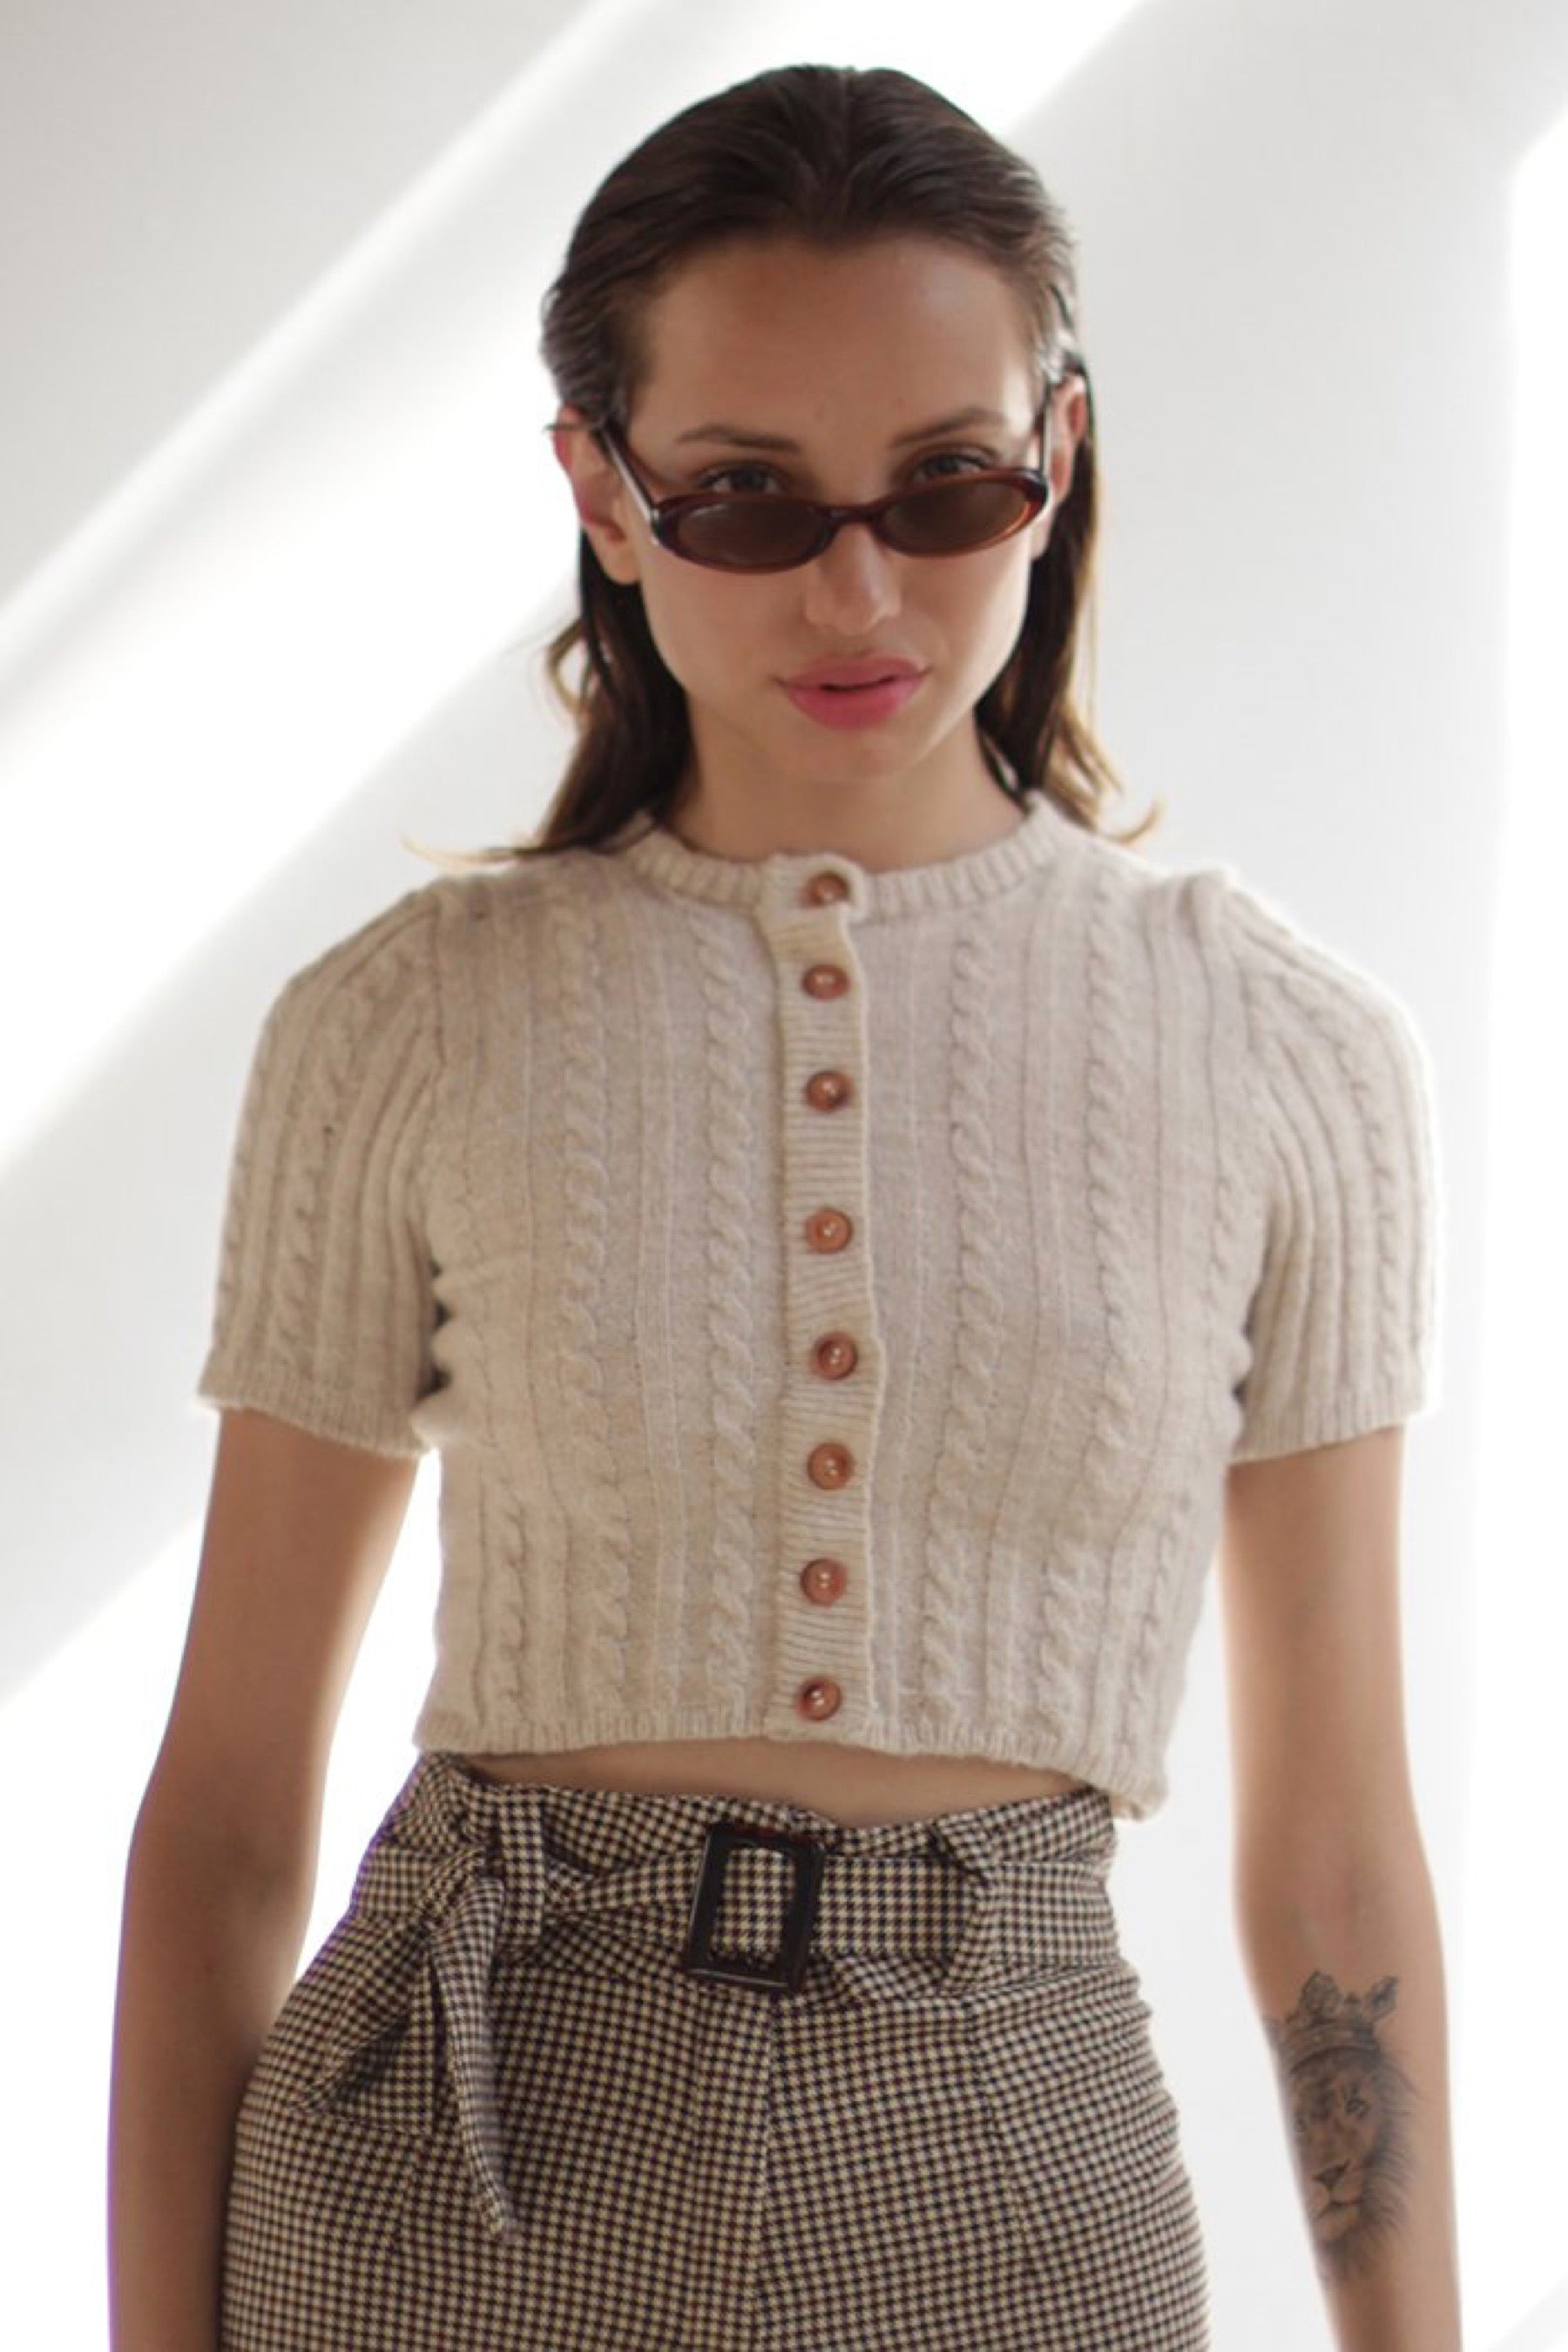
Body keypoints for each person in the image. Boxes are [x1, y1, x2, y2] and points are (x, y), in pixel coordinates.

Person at [108, 60, 1463, 2352]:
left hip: (1016, 2160)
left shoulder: (1291, 1055)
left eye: (947, 485)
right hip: (461, 2152)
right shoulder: (405, 1025)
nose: (860, 588)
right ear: (604, 493)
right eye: (745, 497)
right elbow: (229, 1816)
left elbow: (1337, 1847)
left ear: (1059, 454)